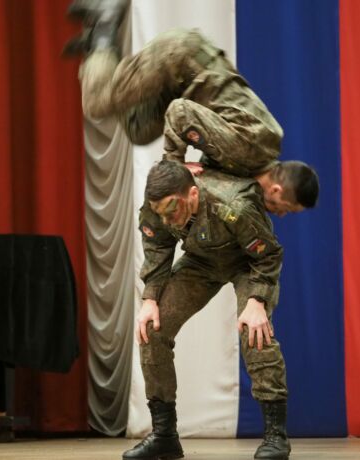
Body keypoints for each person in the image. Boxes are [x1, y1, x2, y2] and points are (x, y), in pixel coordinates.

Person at [121, 160, 318, 460]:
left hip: (248, 265)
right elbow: (158, 248)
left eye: (174, 210)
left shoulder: (233, 205)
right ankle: (164, 436)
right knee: (152, 329)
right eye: (162, 213)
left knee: (254, 331)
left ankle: (275, 437)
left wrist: (257, 300)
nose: (169, 219)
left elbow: (267, 256)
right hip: (202, 262)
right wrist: (149, 299)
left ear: (193, 195)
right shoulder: (157, 205)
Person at [64, 0, 288, 179]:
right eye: (286, 206)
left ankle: (98, 46)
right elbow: (181, 112)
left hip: (184, 83)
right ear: (278, 189)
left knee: (138, 130)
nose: (280, 213)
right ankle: (104, 25)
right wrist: (175, 167)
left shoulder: (255, 157)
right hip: (181, 58)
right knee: (96, 102)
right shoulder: (251, 149)